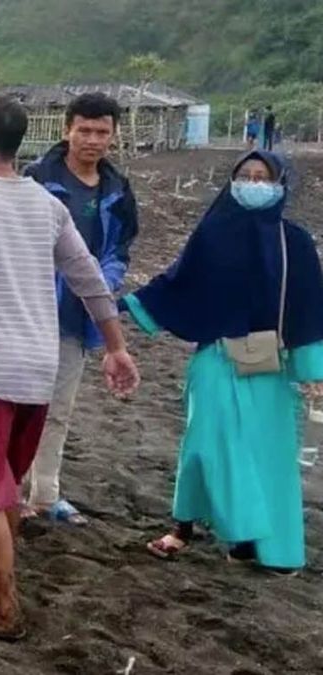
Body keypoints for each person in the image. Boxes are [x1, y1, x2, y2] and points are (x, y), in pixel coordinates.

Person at [0, 94, 140, 640]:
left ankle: (5, 605)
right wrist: (116, 345)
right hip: (38, 368)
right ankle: (1, 579)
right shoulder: (46, 203)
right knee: (8, 485)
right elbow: (90, 276)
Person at [128, 150, 323, 577]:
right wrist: (132, 304)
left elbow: (310, 306)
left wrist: (313, 372)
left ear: (280, 185)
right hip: (215, 358)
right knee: (204, 447)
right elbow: (180, 281)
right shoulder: (212, 234)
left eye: (262, 177)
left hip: (271, 366)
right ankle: (183, 528)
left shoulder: (296, 242)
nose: (253, 184)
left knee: (265, 455)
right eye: (245, 176)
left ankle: (255, 545)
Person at [21, 93, 139, 525]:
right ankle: (4, 489)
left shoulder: (118, 191)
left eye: (102, 132)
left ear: (113, 135)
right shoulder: (36, 179)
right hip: (30, 308)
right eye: (84, 130)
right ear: (66, 129)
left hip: (80, 314)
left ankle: (45, 494)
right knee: (16, 404)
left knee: (59, 407)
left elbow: (120, 248)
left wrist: (101, 285)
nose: (92, 140)